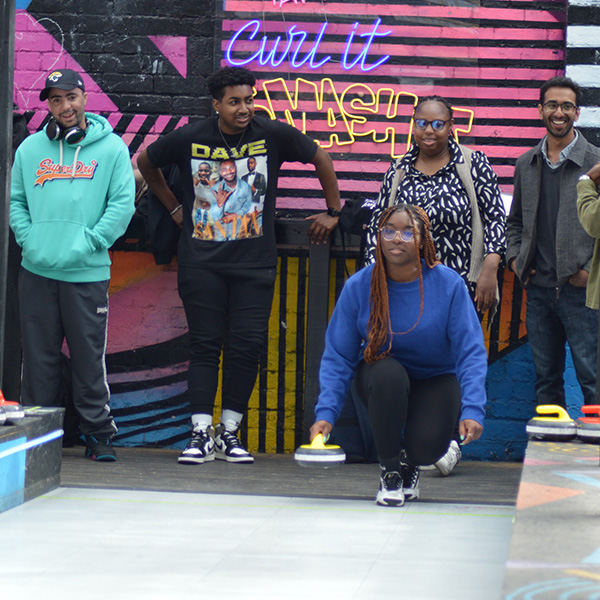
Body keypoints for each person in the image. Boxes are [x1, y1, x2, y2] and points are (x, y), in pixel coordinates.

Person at [137, 66, 341, 465]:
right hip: (201, 263)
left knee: (246, 346)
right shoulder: (193, 136)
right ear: (217, 105)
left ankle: (229, 432)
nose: (244, 108)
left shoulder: (272, 134)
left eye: (249, 99)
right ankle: (200, 433)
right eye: (235, 102)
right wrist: (175, 207)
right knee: (205, 345)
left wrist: (333, 211)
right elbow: (147, 161)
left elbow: (321, 158)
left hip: (254, 264)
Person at [363, 95, 505, 475]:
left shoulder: (472, 165)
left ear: (451, 125)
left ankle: (450, 442)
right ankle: (413, 441)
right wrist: (373, 283)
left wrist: (490, 266)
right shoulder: (398, 170)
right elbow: (376, 226)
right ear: (413, 124)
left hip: (462, 284)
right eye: (422, 123)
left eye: (438, 123)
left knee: (458, 360)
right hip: (404, 288)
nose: (429, 130)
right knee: (408, 359)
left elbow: (495, 218)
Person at [310, 204, 487, 506]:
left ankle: (410, 464)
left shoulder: (448, 285)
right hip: (383, 378)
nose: (396, 238)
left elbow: (470, 351)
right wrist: (326, 413)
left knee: (428, 449)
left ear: (423, 240)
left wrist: (473, 408)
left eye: (408, 232)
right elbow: (339, 355)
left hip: (435, 378)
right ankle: (390, 470)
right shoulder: (360, 286)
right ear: (378, 237)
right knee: (388, 374)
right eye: (388, 230)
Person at [10, 68, 135, 461]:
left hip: (86, 273)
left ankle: (98, 436)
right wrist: (30, 241)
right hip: (37, 270)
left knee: (87, 359)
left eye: (71, 97)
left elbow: (121, 204)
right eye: (56, 99)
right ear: (48, 104)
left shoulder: (112, 148)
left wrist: (93, 242)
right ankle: (38, 440)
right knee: (38, 360)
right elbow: (16, 202)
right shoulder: (30, 150)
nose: (65, 106)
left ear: (84, 98)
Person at [507, 76, 600, 410]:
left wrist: (589, 270)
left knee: (593, 379)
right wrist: (516, 260)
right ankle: (550, 452)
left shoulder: (595, 163)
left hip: (583, 294)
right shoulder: (526, 164)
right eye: (552, 105)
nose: (558, 112)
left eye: (566, 106)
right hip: (539, 289)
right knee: (546, 380)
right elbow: (514, 221)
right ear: (540, 110)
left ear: (577, 113)